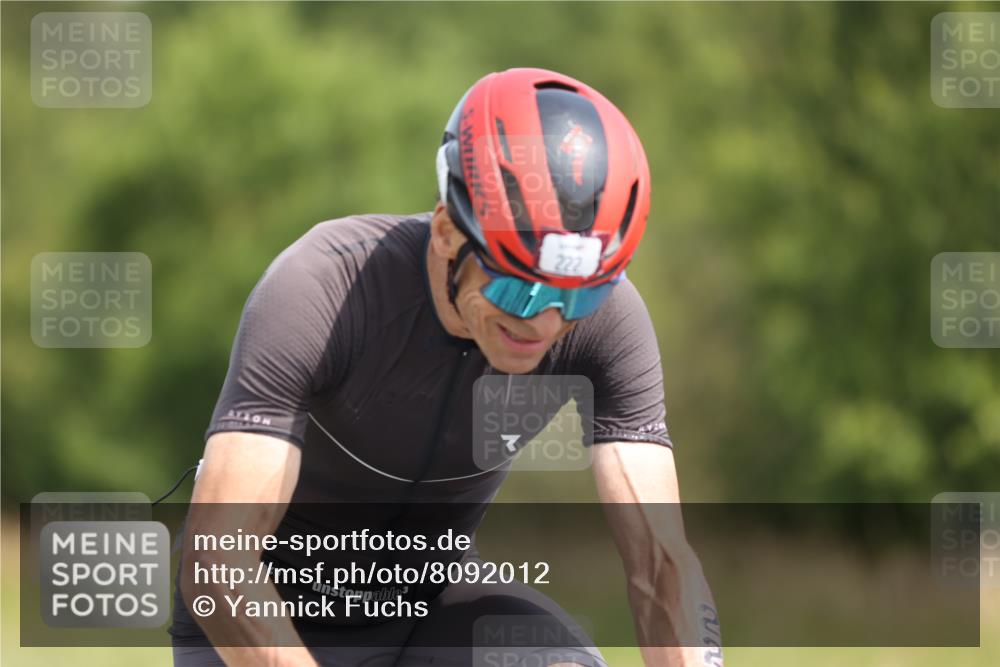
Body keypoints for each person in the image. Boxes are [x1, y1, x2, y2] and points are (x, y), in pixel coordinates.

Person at [171, 67, 724, 667]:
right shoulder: (322, 288)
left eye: (581, 295)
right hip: (263, 610)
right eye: (518, 288)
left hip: (435, 607)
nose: (545, 322)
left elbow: (661, 564)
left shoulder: (609, 323)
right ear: (445, 233)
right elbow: (217, 563)